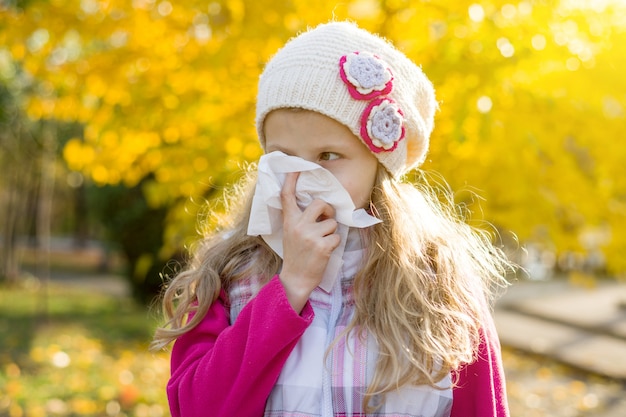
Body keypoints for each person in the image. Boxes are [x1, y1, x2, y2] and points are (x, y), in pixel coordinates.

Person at [151, 21, 513, 417]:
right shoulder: (229, 275)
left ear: (378, 164)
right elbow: (195, 408)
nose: (304, 178)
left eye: (328, 156)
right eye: (284, 155)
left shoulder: (438, 284)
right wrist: (289, 288)